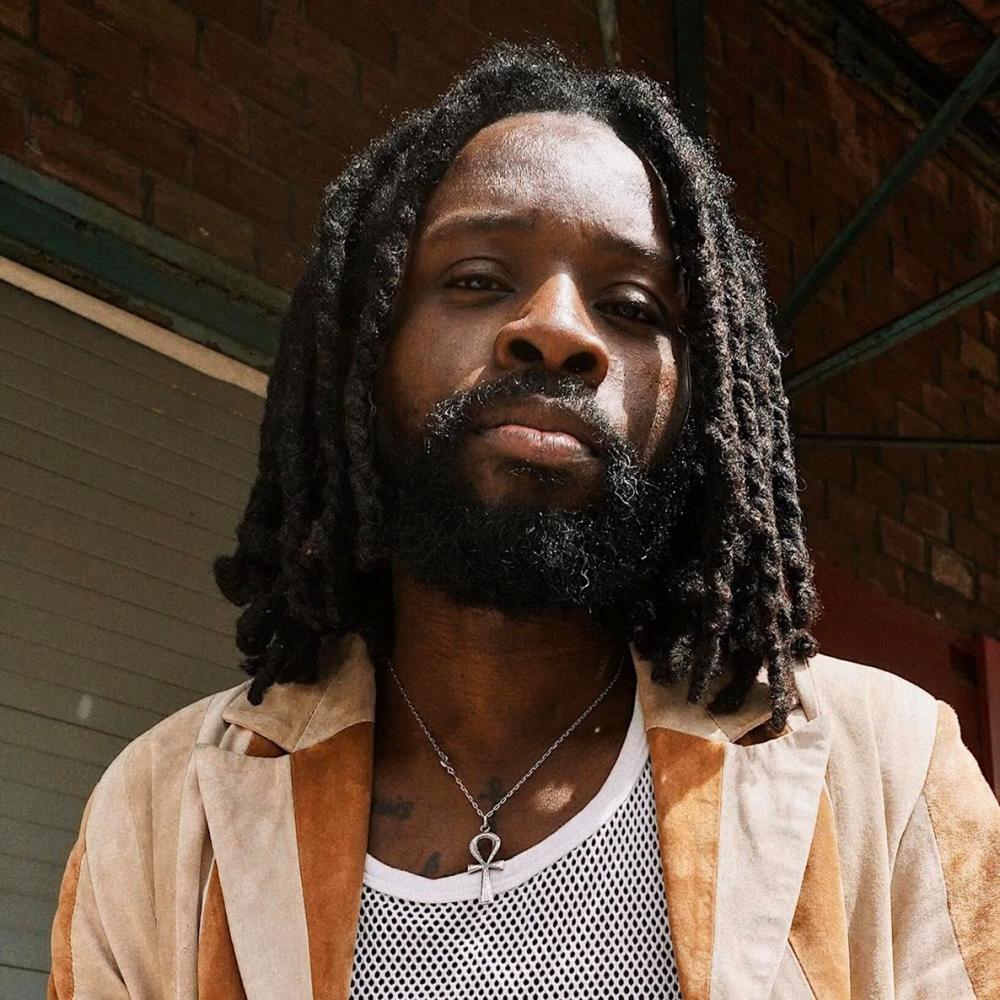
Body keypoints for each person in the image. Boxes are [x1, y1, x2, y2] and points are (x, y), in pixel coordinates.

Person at [48, 42, 999, 1000]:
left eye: (631, 306)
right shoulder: (160, 811)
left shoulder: (886, 772)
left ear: (699, 399)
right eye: (476, 279)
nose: (557, 329)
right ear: (365, 350)